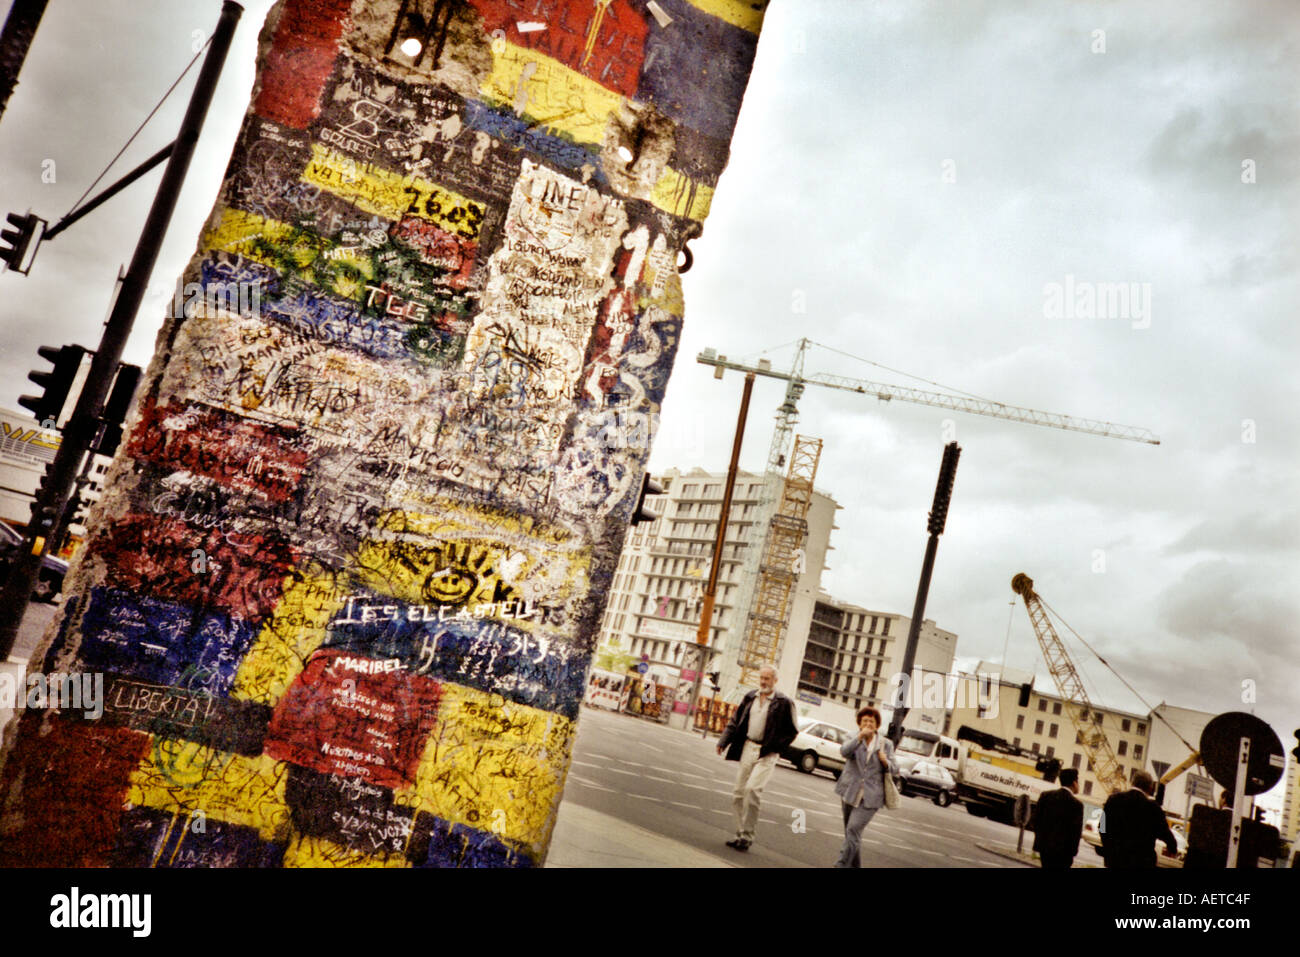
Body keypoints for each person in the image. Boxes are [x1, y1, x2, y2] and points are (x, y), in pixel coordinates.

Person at [716, 665, 798, 852]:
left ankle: (747, 836)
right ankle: (739, 833)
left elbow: (792, 731)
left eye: (767, 678)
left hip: (767, 752)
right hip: (748, 747)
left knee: (752, 790)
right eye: (761, 678)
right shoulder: (750, 697)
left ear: (775, 680)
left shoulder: (784, 702)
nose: (763, 682)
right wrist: (723, 741)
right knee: (738, 792)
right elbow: (735, 721)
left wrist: (775, 748)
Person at [833, 705, 898, 868]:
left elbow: (896, 768)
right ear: (859, 723)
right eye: (865, 721)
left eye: (872, 721)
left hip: (871, 795)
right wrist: (859, 737)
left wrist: (885, 762)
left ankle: (841, 865)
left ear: (877, 725)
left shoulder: (886, 744)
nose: (868, 723)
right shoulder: (853, 736)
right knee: (851, 833)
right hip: (850, 790)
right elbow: (844, 752)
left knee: (853, 829)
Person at [1100, 769, 1178, 868]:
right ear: (1150, 788)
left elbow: (1102, 827)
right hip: (1142, 862)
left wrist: (1109, 849)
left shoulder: (1113, 800)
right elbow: (1165, 833)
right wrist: (1172, 848)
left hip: (1115, 861)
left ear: (1132, 782)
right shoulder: (1153, 808)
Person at [1033, 768, 1084, 869]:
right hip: (1064, 853)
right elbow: (1075, 833)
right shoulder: (1077, 805)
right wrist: (1072, 852)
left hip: (1045, 849)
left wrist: (1042, 840)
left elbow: (1036, 821)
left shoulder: (1045, 796)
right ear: (1074, 783)